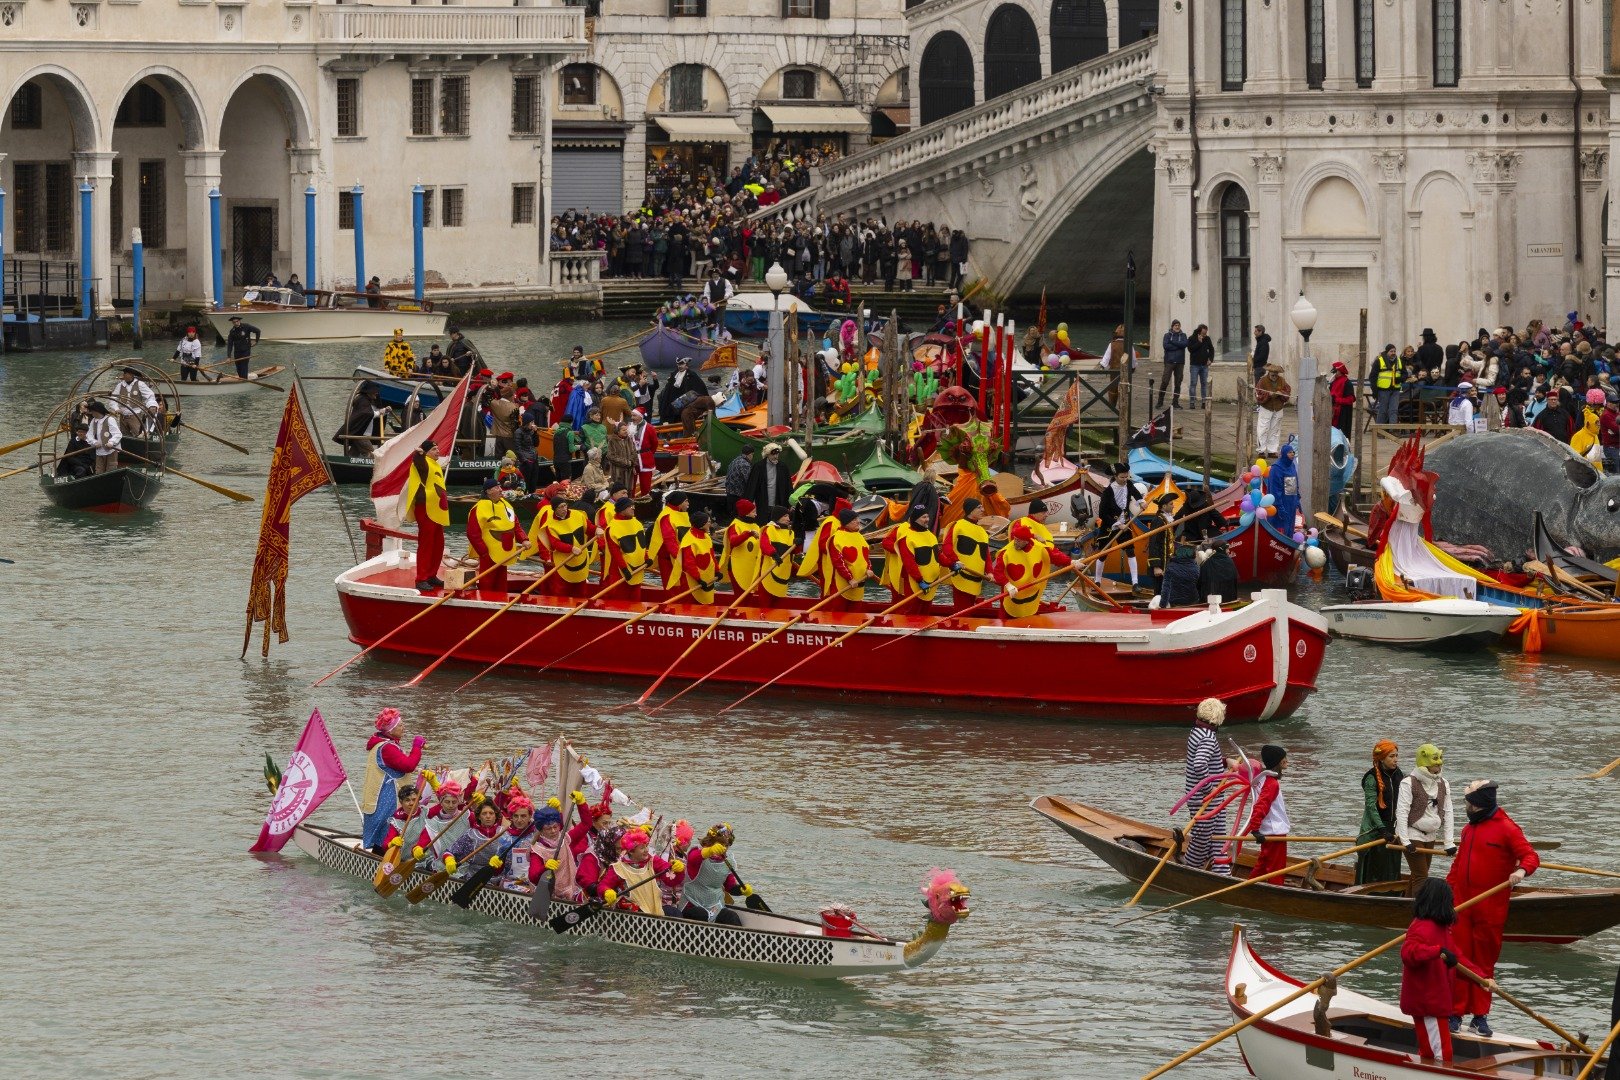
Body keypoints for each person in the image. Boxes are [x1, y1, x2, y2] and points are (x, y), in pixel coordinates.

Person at [1448, 780, 1538, 1036]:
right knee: (1458, 959)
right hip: (1462, 906)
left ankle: (1480, 1016)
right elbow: (1457, 866)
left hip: (1490, 910)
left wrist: (1521, 871)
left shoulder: (1507, 828)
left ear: (1478, 804)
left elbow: (1531, 856)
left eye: (1468, 804)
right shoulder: (1468, 829)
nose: (1466, 807)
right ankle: (1455, 1013)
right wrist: (1447, 896)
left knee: (1484, 963)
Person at [1403, 879, 1487, 1064]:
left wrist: (1481, 979)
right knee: (1442, 1053)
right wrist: (1436, 951)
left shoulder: (1442, 929)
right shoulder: (1421, 927)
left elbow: (1457, 959)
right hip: (1428, 1002)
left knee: (1432, 1050)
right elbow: (1409, 953)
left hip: (1436, 1001)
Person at [359, 708, 425, 854]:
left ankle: (381, 854)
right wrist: (417, 746)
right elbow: (409, 765)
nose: (404, 727)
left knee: (384, 833)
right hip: (384, 797)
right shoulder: (387, 747)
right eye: (400, 725)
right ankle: (382, 858)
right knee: (386, 832)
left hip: (378, 797)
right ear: (391, 730)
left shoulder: (383, 744)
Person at [1180, 697, 1234, 875]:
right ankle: (1191, 867)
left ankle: (1221, 871)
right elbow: (1200, 764)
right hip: (1204, 798)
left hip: (1213, 798)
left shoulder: (1197, 732)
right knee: (1203, 837)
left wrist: (1226, 762)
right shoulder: (1208, 738)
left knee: (1219, 836)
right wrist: (1209, 789)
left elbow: (1207, 759)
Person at [1396, 743, 1455, 896]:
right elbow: (1402, 812)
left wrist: (1449, 842)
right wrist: (1405, 840)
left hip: (1430, 834)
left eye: (1440, 762)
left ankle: (1404, 906)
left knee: (1418, 874)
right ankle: (1420, 913)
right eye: (1435, 763)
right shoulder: (1408, 783)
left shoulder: (1444, 783)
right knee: (1422, 877)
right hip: (1411, 833)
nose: (1439, 766)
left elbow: (1448, 812)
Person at [991, 520, 1069, 619]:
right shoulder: (1005, 552)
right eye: (1015, 539)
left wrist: (1072, 562)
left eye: (1019, 541)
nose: (1015, 542)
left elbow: (1055, 556)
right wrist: (1008, 585)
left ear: (1026, 541)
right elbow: (998, 572)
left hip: (1031, 591)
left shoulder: (1040, 548)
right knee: (1006, 616)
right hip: (1011, 593)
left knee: (1029, 614)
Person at [677, 824, 752, 924]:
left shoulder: (727, 862)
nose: (723, 848)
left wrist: (741, 890)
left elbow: (730, 887)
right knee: (701, 914)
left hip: (715, 907)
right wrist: (710, 851)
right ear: (710, 842)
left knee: (732, 917)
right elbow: (692, 858)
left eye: (726, 845)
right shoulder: (696, 853)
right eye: (720, 845)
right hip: (691, 904)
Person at [1356, 739, 1406, 885]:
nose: (1395, 759)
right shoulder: (1371, 778)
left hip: (1394, 829)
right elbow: (1371, 807)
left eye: (1396, 755)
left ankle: (1392, 893)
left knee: (1392, 867)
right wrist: (1383, 829)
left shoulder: (1399, 774)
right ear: (1381, 758)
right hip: (1375, 830)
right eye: (1391, 756)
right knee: (1375, 869)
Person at [598, 829, 681, 915]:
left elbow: (671, 881)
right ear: (631, 851)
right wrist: (606, 891)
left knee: (675, 913)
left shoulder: (654, 861)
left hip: (654, 908)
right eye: (642, 848)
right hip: (632, 913)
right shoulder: (618, 868)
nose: (646, 850)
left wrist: (678, 870)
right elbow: (603, 885)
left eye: (646, 846)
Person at [402, 440, 449, 592]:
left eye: (438, 448)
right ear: (427, 452)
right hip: (426, 508)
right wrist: (419, 453)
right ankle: (421, 578)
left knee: (438, 543)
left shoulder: (435, 465)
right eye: (434, 449)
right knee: (426, 543)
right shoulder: (424, 463)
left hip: (437, 510)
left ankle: (431, 574)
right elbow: (418, 462)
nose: (438, 451)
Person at [466, 475, 526, 595]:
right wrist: (484, 552)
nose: (500, 489)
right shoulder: (479, 508)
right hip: (488, 552)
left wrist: (524, 539)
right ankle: (485, 602)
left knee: (501, 583)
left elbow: (515, 524)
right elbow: (473, 533)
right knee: (487, 582)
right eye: (496, 487)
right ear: (488, 491)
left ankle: (501, 601)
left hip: (505, 551)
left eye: (499, 487)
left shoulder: (506, 505)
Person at [1242, 744, 1290, 881]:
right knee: (1276, 869)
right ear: (1280, 763)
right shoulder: (1271, 784)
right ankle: (1276, 894)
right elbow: (1261, 805)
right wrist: (1255, 828)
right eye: (1285, 761)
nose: (1287, 763)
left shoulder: (1262, 780)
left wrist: (1257, 828)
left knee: (1263, 864)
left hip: (1268, 831)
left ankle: (1250, 886)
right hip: (1275, 832)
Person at [883, 506, 944, 610]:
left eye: (927, 516)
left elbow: (937, 554)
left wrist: (952, 564)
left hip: (925, 576)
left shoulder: (929, 534)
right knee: (902, 601)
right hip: (902, 572)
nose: (927, 520)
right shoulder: (900, 529)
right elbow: (886, 543)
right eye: (923, 517)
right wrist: (901, 550)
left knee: (921, 604)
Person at [1094, 461, 1142, 588]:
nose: (1125, 479)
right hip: (1109, 526)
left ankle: (1135, 582)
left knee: (1130, 551)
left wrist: (1141, 501)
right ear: (1115, 476)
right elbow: (1102, 513)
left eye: (1127, 477)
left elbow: (1136, 493)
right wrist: (1117, 524)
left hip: (1125, 523)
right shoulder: (1108, 492)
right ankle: (1097, 581)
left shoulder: (1129, 484)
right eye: (1122, 477)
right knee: (1103, 554)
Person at [939, 498, 990, 612]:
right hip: (961, 574)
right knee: (962, 610)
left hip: (977, 577)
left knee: (971, 610)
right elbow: (947, 546)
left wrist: (990, 571)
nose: (983, 509)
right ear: (971, 510)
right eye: (979, 507)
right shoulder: (958, 525)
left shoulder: (982, 531)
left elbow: (986, 554)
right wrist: (955, 561)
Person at [525, 803, 580, 902]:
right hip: (547, 894)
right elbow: (533, 877)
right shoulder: (537, 851)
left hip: (569, 889)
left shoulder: (565, 838)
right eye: (548, 828)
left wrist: (581, 804)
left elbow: (586, 824)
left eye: (555, 827)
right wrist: (545, 867)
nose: (553, 831)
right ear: (541, 831)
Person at [542, 496, 594, 598]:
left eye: (565, 506)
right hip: (563, 561)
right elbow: (555, 544)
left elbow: (589, 528)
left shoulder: (578, 515)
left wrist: (597, 530)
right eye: (560, 507)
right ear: (554, 510)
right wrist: (571, 549)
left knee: (581, 589)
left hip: (580, 558)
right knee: (561, 590)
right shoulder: (550, 525)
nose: (564, 509)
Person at [823, 508, 873, 609]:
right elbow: (838, 562)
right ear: (846, 523)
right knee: (838, 611)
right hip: (843, 582)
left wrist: (869, 568)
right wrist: (849, 578)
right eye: (854, 520)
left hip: (859, 581)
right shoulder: (837, 538)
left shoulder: (859, 536)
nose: (858, 522)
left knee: (856, 611)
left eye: (857, 519)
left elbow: (865, 557)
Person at [602, 497, 649, 597]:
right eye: (630, 506)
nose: (633, 508)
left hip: (637, 568)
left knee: (636, 596)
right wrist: (624, 569)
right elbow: (615, 552)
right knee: (620, 597)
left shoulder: (637, 523)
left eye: (633, 506)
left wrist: (646, 558)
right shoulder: (612, 528)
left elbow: (641, 544)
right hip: (620, 570)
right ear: (622, 509)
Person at [648, 490, 691, 587]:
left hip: (682, 557)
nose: (688, 504)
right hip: (669, 558)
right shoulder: (667, 516)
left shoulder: (681, 514)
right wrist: (682, 559)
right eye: (686, 501)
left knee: (685, 585)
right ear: (679, 502)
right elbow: (670, 541)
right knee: (674, 586)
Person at [721, 499, 765, 593]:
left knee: (752, 593)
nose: (756, 514)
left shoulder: (755, 526)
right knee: (741, 593)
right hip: (737, 566)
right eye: (754, 512)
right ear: (747, 513)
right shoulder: (735, 525)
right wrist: (748, 534)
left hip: (752, 565)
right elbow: (733, 541)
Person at [678, 511, 720, 604]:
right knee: (690, 604)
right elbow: (689, 564)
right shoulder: (689, 541)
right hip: (692, 580)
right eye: (708, 522)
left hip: (707, 579)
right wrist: (698, 579)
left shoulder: (706, 537)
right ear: (702, 524)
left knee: (707, 602)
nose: (710, 524)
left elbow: (712, 556)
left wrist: (717, 571)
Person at [744, 443, 794, 515]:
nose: (776, 456)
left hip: (779, 502)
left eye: (777, 454)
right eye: (773, 454)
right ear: (767, 454)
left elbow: (788, 486)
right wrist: (748, 503)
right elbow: (752, 486)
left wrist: (791, 503)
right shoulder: (759, 466)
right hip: (762, 502)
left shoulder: (783, 467)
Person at [760, 505, 797, 600]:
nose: (788, 519)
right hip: (768, 571)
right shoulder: (769, 529)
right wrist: (773, 554)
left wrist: (797, 544)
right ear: (778, 517)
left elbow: (794, 551)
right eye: (785, 516)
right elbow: (764, 545)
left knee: (779, 599)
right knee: (766, 600)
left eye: (788, 516)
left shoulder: (790, 532)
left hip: (783, 572)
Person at [1255, 364, 1292, 456]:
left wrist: (1281, 393)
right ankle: (1261, 450)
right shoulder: (1262, 381)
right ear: (1269, 373)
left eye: (1276, 375)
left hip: (1278, 408)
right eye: (1273, 375)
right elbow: (1258, 393)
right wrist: (1268, 395)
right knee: (1263, 429)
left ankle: (1272, 450)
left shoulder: (1282, 381)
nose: (1275, 377)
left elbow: (1288, 391)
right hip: (1266, 408)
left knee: (1275, 430)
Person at [112, 367, 160, 437]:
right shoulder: (120, 385)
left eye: (125, 373)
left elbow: (150, 395)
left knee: (137, 433)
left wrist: (151, 405)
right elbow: (113, 398)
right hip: (123, 416)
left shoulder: (140, 384)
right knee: (124, 435)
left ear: (131, 374)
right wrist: (116, 408)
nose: (123, 375)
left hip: (135, 414)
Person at [83, 399, 122, 474]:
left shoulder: (110, 419)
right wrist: (94, 442)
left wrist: (111, 442)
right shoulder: (93, 421)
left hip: (111, 451)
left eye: (92, 411)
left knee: (111, 471)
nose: (91, 413)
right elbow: (89, 435)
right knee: (99, 472)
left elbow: (117, 434)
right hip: (99, 452)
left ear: (97, 411)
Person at [1158, 319, 1188, 410]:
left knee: (1178, 382)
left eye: (1178, 325)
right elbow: (1166, 346)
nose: (1177, 327)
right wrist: (1178, 346)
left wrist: (1173, 343)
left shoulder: (1183, 335)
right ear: (1172, 326)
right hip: (1169, 361)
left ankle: (1175, 402)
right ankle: (1160, 401)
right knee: (1165, 381)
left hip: (1180, 362)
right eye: (1175, 325)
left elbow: (1184, 344)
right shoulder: (1167, 335)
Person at [1372, 344, 1404, 426]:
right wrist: (1374, 390)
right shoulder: (1379, 361)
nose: (1393, 353)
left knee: (1394, 410)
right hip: (1383, 390)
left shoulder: (1399, 361)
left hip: (1395, 389)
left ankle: (1393, 430)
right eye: (1391, 351)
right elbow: (1372, 376)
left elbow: (1405, 374)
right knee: (1383, 410)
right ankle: (1379, 430)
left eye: (1394, 351)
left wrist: (1400, 379)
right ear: (1387, 352)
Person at [629, 408, 658, 496]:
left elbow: (655, 443)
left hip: (645, 459)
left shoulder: (649, 427)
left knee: (645, 485)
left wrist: (647, 454)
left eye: (634, 415)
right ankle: (630, 503)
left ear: (640, 416)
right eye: (632, 415)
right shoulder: (630, 426)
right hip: (632, 459)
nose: (632, 418)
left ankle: (645, 504)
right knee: (631, 485)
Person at [1329, 360, 1355, 438]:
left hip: (1343, 413)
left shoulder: (1347, 383)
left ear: (1340, 371)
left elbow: (1351, 399)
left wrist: (1336, 400)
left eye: (1335, 371)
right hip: (1333, 412)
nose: (1333, 374)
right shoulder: (1333, 382)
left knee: (1342, 434)